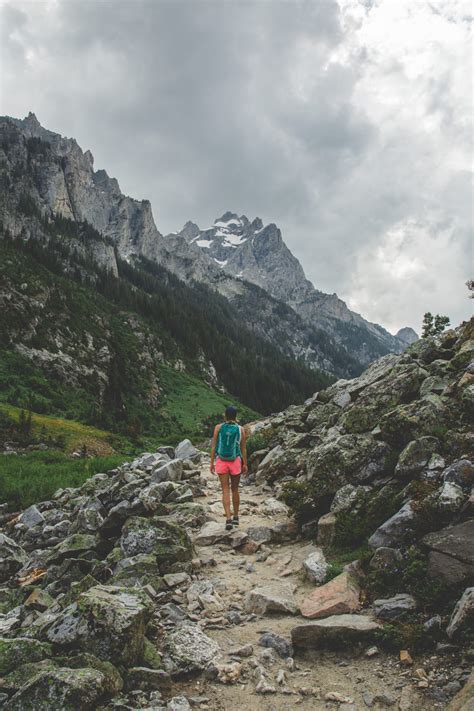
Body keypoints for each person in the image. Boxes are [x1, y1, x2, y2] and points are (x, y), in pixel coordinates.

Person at [210, 405, 248, 530]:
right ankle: (236, 517)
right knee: (235, 490)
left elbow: (214, 447)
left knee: (225, 490)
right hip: (235, 460)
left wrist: (211, 463)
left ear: (225, 415)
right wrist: (245, 464)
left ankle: (228, 519)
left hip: (221, 461)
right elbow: (243, 448)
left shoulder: (218, 428)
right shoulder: (240, 429)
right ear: (236, 416)